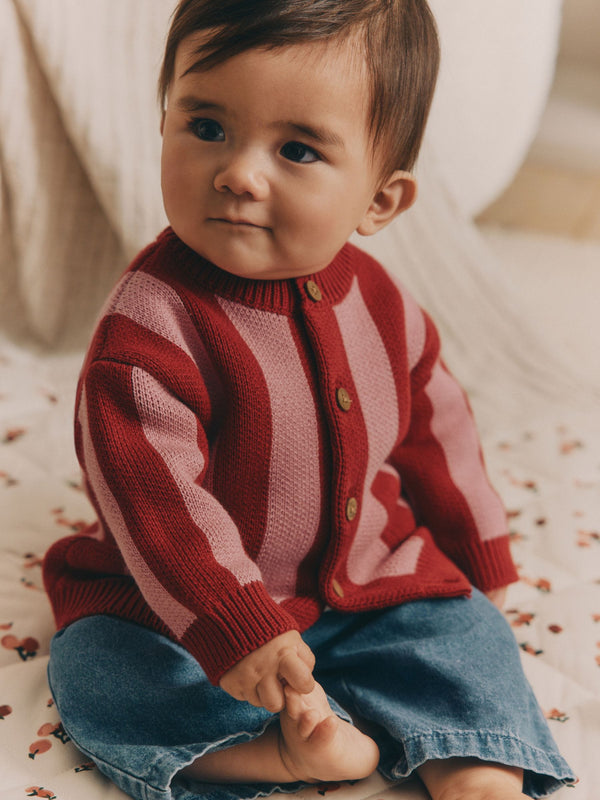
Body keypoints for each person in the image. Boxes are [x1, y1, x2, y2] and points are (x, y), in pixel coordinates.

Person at [43, 1, 575, 799]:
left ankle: (474, 765)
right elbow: (153, 497)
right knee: (97, 671)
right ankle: (265, 754)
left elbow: (438, 428)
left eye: (296, 149)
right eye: (207, 126)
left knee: (467, 635)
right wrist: (232, 621)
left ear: (380, 201)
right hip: (182, 608)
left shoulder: (385, 304)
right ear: (163, 123)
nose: (239, 173)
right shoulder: (148, 327)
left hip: (370, 583)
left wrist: (477, 543)